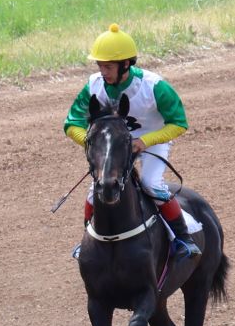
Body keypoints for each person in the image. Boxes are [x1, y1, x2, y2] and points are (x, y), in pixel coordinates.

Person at [64, 23, 201, 261]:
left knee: (150, 184)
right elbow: (71, 123)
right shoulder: (93, 85)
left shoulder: (155, 86)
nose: (102, 71)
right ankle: (87, 242)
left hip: (150, 141)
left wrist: (145, 141)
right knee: (95, 190)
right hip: (113, 146)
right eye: (99, 65)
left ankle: (183, 239)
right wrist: (90, 141)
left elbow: (179, 123)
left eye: (108, 66)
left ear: (126, 64)